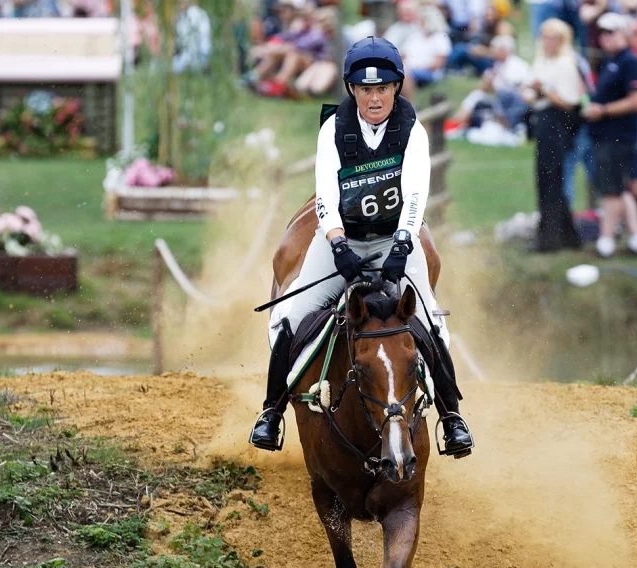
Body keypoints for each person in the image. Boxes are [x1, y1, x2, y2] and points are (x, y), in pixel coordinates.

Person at [249, 36, 476, 459]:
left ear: (397, 88)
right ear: (353, 90)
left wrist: (402, 248)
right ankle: (271, 412)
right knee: (290, 315)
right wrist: (338, 247)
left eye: (383, 89)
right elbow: (324, 197)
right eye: (366, 90)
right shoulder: (333, 129)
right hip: (341, 240)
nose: (375, 98)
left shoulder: (413, 130)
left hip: (394, 240)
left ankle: (452, 418)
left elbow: (414, 197)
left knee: (431, 318)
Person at [586, 13, 637, 257]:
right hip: (607, 135)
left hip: (618, 135)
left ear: (625, 34)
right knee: (619, 190)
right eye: (603, 33)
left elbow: (636, 100)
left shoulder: (628, 61)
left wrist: (602, 110)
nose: (606, 37)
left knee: (611, 190)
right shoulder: (609, 61)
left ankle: (606, 240)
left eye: (612, 32)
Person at [523, 18, 587, 251]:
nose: (548, 42)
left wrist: (544, 91)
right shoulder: (542, 61)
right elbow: (527, 91)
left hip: (556, 123)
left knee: (552, 178)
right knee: (547, 179)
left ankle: (551, 238)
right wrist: (537, 92)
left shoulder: (565, 64)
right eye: (545, 37)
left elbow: (569, 101)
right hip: (542, 120)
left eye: (553, 38)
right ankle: (565, 235)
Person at [451, 34, 533, 130]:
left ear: (505, 50)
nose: (493, 52)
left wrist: (494, 85)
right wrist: (488, 82)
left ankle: (457, 124)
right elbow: (482, 88)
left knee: (483, 97)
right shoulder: (496, 64)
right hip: (498, 99)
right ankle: (457, 123)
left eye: (496, 49)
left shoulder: (517, 65)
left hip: (513, 101)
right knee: (476, 95)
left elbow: (514, 89)